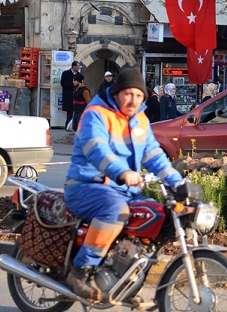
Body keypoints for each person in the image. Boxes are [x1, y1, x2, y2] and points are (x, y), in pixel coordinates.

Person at [64, 68, 182, 301]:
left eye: (139, 96)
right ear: (117, 93)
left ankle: (124, 279)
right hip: (86, 186)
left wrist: (178, 183)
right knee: (115, 210)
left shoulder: (140, 119)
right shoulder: (95, 114)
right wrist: (122, 172)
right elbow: (96, 149)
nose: (133, 100)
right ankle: (80, 272)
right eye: (128, 94)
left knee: (156, 215)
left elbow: (154, 155)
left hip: (125, 191)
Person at [61, 61, 81, 128]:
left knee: (76, 111)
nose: (79, 68)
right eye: (78, 66)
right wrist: (72, 84)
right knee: (69, 111)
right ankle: (68, 126)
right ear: (74, 66)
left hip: (77, 95)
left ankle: (75, 126)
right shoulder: (66, 73)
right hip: (68, 95)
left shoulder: (79, 75)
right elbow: (63, 83)